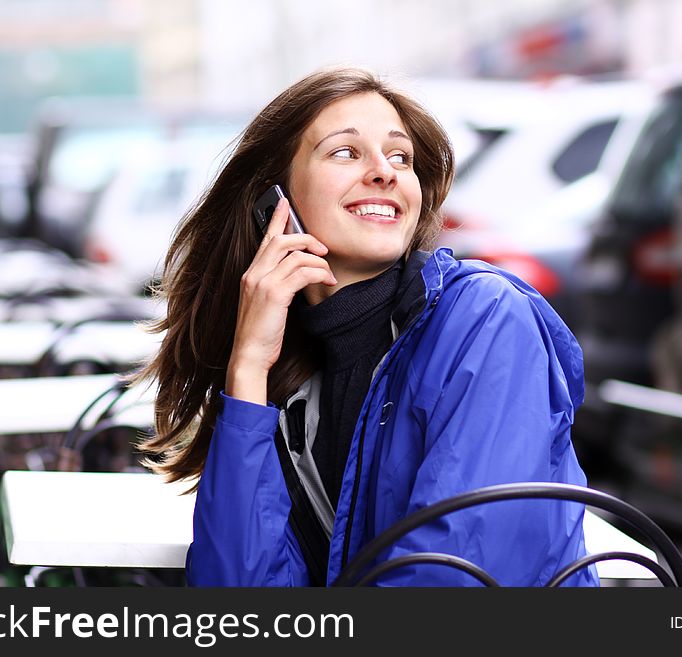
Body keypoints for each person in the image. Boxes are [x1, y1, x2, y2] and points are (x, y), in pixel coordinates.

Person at [137, 67, 599, 587]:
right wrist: (247, 371)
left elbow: (457, 581)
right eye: (345, 152)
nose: (385, 172)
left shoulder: (485, 319)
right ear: (274, 202)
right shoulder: (292, 378)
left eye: (400, 157)